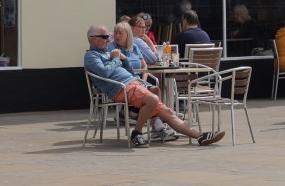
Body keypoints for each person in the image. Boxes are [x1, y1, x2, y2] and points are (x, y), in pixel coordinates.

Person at [84, 24, 224, 147]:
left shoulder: (109, 52)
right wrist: (115, 59)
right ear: (93, 38)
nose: (109, 39)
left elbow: (131, 72)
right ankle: (138, 132)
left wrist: (124, 59)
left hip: (134, 84)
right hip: (120, 88)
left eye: (109, 36)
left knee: (168, 112)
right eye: (105, 36)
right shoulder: (91, 56)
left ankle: (200, 136)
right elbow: (104, 72)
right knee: (153, 99)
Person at [108, 21, 175, 141]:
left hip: (138, 80)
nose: (117, 36)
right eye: (115, 33)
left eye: (120, 33)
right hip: (124, 82)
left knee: (155, 89)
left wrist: (143, 81)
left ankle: (154, 126)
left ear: (127, 34)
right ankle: (156, 125)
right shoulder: (112, 48)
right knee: (152, 94)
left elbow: (144, 66)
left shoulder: (134, 46)